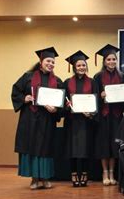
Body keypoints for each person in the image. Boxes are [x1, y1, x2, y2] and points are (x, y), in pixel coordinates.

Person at [11, 47, 63, 189]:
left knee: (46, 148)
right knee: (32, 147)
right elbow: (16, 92)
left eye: (53, 62)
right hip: (30, 119)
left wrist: (56, 109)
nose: (51, 64)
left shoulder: (57, 81)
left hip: (47, 120)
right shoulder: (28, 77)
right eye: (48, 61)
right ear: (41, 61)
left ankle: (45, 178)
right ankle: (34, 179)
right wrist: (24, 98)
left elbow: (62, 101)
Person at [93, 44, 124, 186]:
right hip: (104, 115)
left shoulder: (122, 76)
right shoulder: (98, 77)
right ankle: (104, 172)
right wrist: (100, 96)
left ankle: (112, 172)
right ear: (104, 61)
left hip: (117, 116)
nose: (112, 62)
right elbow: (93, 96)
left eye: (114, 59)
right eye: (109, 59)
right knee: (104, 145)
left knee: (114, 145)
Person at [63, 51, 98, 187]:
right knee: (72, 149)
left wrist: (91, 113)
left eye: (83, 65)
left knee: (85, 148)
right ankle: (73, 174)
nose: (81, 67)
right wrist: (68, 105)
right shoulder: (67, 83)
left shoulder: (92, 82)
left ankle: (84, 173)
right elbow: (64, 100)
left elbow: (96, 102)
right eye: (79, 65)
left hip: (86, 122)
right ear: (74, 67)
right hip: (72, 121)